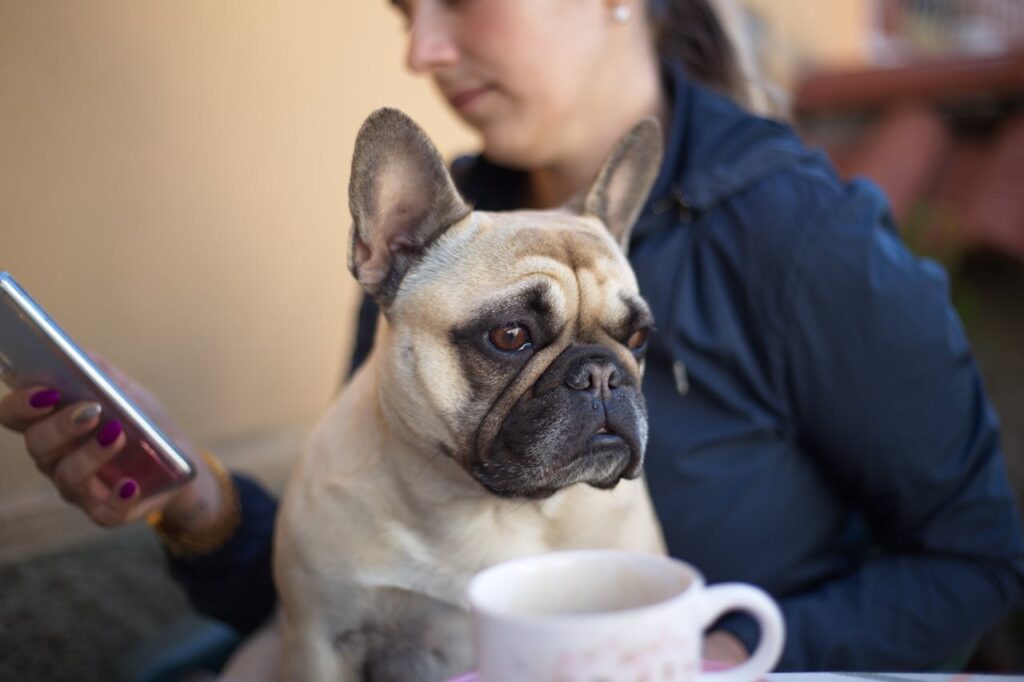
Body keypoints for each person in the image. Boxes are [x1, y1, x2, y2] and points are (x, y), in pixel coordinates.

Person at [3, 0, 1023, 672]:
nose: (423, 48)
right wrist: (197, 497)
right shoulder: (446, 242)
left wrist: (710, 656)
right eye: (407, 10)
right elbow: (358, 591)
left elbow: (978, 559)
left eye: (460, 0)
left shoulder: (802, 238)